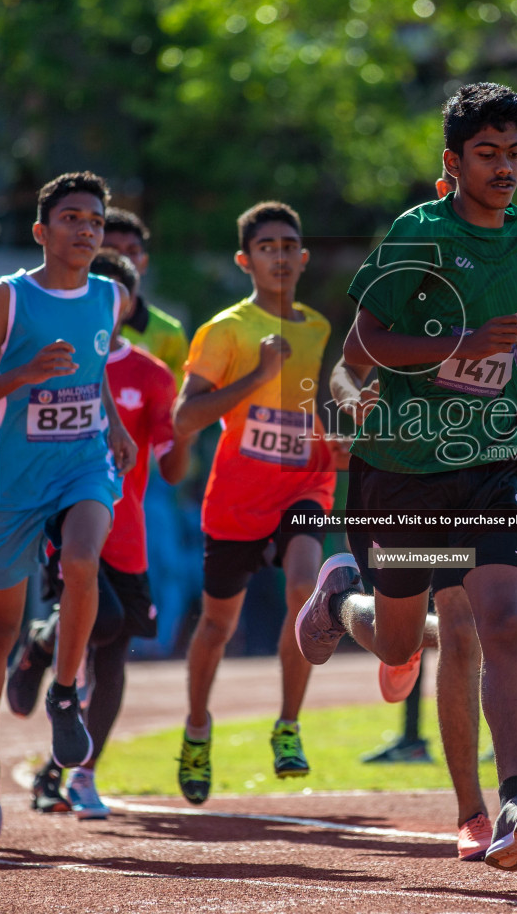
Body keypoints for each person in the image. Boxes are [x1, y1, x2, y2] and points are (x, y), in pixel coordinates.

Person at [299, 82, 517, 872]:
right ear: (453, 163)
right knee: (400, 642)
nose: (505, 169)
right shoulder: (418, 233)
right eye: (487, 155)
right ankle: (341, 599)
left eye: (515, 153)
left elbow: (511, 307)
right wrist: (461, 341)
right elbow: (363, 348)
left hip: (494, 460)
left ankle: (509, 800)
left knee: (499, 623)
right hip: (402, 469)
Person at [0, 171, 137, 847]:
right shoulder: (10, 298)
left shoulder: (109, 296)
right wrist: (24, 375)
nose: (85, 229)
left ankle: (63, 695)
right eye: (71, 218)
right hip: (13, 483)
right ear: (42, 231)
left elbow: (92, 376)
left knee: (84, 559)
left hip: (82, 465)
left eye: (94, 219)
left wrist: (111, 420)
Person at [11, 249, 190, 818]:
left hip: (128, 534)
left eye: (114, 294)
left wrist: (189, 424)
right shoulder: (57, 359)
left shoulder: (152, 375)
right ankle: (42, 643)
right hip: (69, 523)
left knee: (113, 655)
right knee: (104, 621)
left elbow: (172, 467)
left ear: (127, 303)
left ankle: (76, 775)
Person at [170, 201, 338, 804]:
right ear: (245, 259)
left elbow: (302, 405)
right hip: (238, 497)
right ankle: (196, 729)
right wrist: (257, 372)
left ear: (304, 256)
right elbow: (185, 416)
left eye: (290, 245)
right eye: (267, 246)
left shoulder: (317, 328)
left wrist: (339, 429)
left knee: (304, 589)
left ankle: (288, 725)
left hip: (303, 483)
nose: (281, 256)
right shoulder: (224, 330)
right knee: (218, 624)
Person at [102, 207, 188, 379]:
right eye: (112, 251)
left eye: (132, 252)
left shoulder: (170, 333)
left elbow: (174, 400)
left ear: (144, 262)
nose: (124, 260)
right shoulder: (71, 320)